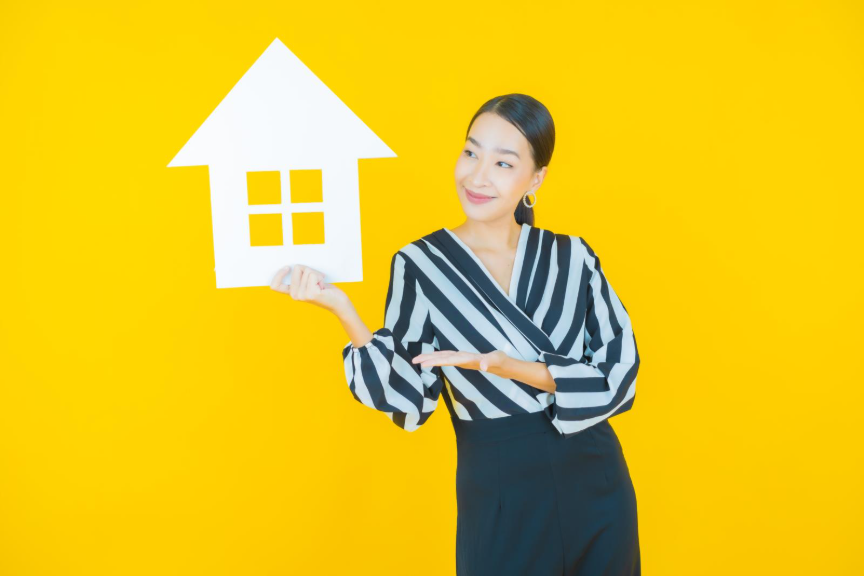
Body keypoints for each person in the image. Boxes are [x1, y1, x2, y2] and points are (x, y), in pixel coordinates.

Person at [270, 93, 641, 576]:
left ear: (536, 179)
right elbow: (411, 399)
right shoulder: (420, 265)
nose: (478, 175)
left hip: (596, 480)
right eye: (471, 152)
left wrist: (507, 366)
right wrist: (344, 311)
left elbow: (621, 376)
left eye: (503, 163)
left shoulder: (572, 256)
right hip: (499, 487)